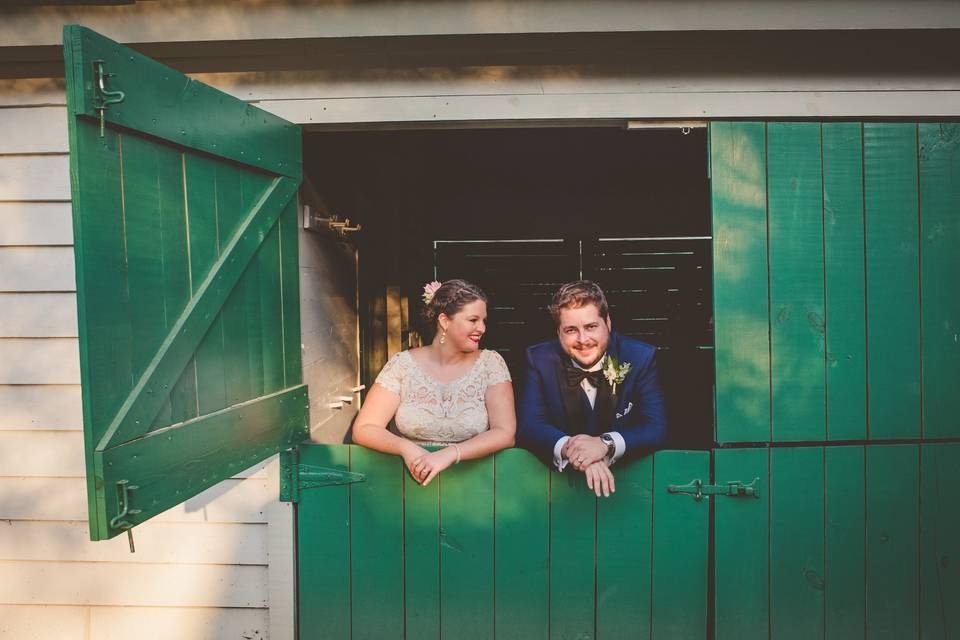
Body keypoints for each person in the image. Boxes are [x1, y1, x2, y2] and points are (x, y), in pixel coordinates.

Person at [352, 279, 516, 486]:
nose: (482, 328)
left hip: (476, 482)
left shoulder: (491, 364)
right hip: (408, 481)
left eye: (484, 320)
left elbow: (505, 433)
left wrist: (449, 454)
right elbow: (365, 427)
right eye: (473, 320)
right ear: (444, 321)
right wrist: (406, 448)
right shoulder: (402, 364)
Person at [517, 280, 667, 497]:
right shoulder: (538, 359)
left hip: (631, 492)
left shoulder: (640, 357)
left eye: (591, 327)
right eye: (570, 330)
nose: (583, 339)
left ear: (608, 322)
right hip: (555, 496)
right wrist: (578, 452)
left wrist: (605, 444)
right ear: (558, 332)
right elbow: (529, 426)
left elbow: (656, 428)